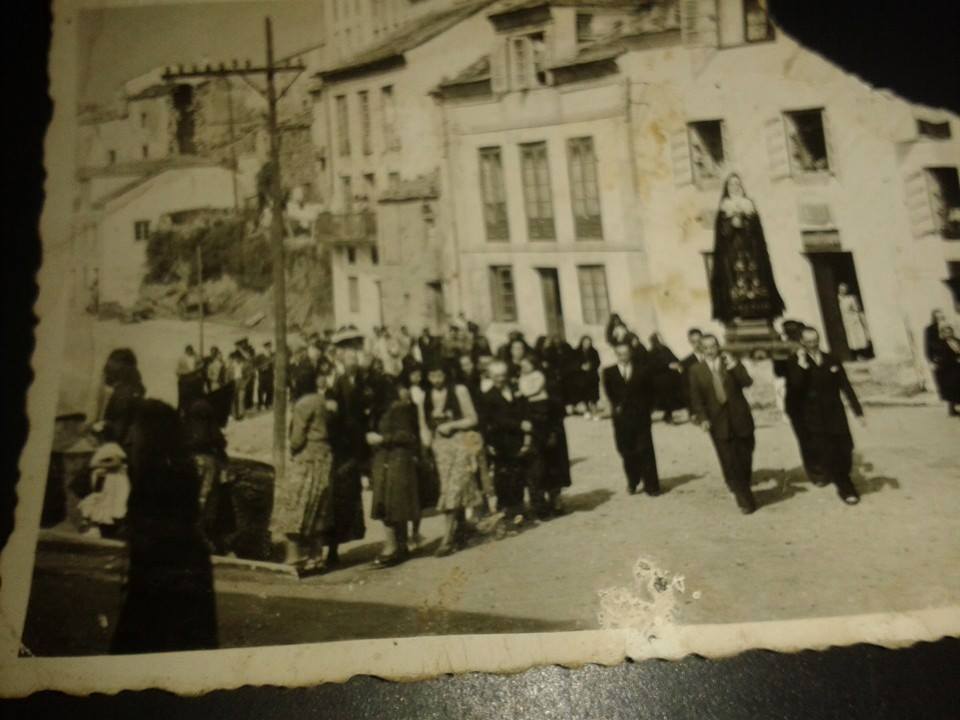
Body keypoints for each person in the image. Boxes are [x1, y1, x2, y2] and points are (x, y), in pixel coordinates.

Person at [111, 400, 217, 654]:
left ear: (151, 435)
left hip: (165, 573)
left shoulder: (159, 474)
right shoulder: (177, 467)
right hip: (181, 570)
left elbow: (157, 529)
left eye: (136, 430)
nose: (130, 438)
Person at [786, 327, 867, 504]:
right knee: (830, 452)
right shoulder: (794, 362)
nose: (813, 345)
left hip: (835, 414)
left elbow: (846, 386)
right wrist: (802, 365)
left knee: (846, 448)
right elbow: (796, 387)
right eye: (809, 342)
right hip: (813, 418)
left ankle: (840, 476)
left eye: (816, 340)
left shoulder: (832, 359)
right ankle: (846, 488)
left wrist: (858, 411)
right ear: (802, 342)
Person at [688, 335, 758, 514]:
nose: (711, 350)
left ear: (718, 347)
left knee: (745, 456)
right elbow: (696, 399)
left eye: (714, 346)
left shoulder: (731, 364)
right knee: (729, 460)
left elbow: (747, 382)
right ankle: (745, 500)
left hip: (740, 418)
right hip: (717, 422)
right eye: (706, 347)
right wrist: (702, 418)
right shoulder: (696, 370)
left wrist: (734, 366)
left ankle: (741, 485)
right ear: (701, 350)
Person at [420, 362, 484, 557]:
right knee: (448, 487)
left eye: (439, 374)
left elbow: (472, 418)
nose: (436, 379)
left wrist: (452, 425)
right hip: (440, 448)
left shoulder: (459, 390)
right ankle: (462, 529)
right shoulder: (426, 396)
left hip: (460, 442)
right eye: (431, 375)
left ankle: (447, 539)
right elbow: (423, 424)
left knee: (454, 488)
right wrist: (427, 445)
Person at [710, 173, 785, 324]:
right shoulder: (724, 209)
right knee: (735, 282)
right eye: (731, 184)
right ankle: (736, 312)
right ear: (727, 188)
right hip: (732, 255)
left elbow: (757, 233)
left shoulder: (749, 206)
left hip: (752, 252)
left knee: (757, 279)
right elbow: (721, 236)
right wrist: (731, 224)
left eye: (738, 184)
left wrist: (746, 221)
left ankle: (761, 312)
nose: (735, 187)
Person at [368, 380, 421, 567]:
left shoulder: (398, 409)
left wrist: (382, 439)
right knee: (393, 503)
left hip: (396, 459)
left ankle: (392, 547)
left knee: (390, 504)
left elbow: (408, 436)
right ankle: (401, 545)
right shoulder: (383, 409)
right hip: (387, 459)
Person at [325, 339, 369, 566]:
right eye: (350, 359)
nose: (354, 362)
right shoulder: (338, 384)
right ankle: (332, 549)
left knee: (352, 495)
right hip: (342, 447)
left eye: (356, 359)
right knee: (338, 496)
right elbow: (332, 415)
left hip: (359, 444)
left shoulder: (363, 380)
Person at [602, 342, 661, 496]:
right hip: (621, 418)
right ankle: (633, 480)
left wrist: (648, 408)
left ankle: (652, 486)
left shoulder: (642, 370)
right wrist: (617, 406)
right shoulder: (609, 372)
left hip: (641, 416)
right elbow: (609, 392)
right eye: (620, 354)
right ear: (616, 355)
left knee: (645, 449)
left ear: (631, 354)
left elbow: (652, 391)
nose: (624, 357)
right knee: (626, 450)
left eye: (626, 353)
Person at [482, 360, 534, 533]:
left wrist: (526, 419)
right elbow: (496, 421)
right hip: (501, 441)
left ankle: (518, 509)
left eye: (503, 375)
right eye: (496, 376)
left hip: (518, 439)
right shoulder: (489, 396)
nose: (500, 379)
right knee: (504, 476)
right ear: (490, 376)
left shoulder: (514, 389)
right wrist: (519, 424)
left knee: (518, 472)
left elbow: (525, 406)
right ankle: (506, 512)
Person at [517, 355, 570, 517]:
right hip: (532, 429)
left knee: (553, 463)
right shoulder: (519, 380)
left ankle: (555, 499)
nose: (524, 368)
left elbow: (557, 408)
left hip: (549, 427)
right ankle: (540, 505)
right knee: (536, 466)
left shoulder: (544, 379)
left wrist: (553, 431)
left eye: (526, 364)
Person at [183, 398, 229, 553]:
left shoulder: (186, 431)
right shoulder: (213, 433)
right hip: (210, 467)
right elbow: (221, 447)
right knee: (207, 503)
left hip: (191, 467)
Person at [97, 348, 146, 451]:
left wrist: (97, 429)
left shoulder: (123, 394)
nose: (105, 369)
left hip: (117, 450)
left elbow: (117, 433)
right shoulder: (133, 390)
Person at [648, 333, 685, 423]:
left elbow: (674, 358)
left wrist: (678, 364)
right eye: (658, 340)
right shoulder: (652, 352)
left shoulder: (666, 349)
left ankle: (669, 413)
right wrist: (668, 366)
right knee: (665, 386)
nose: (661, 342)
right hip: (658, 378)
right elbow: (653, 367)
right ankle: (667, 414)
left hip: (671, 376)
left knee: (676, 384)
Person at [931, 324, 960, 416]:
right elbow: (942, 357)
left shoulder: (957, 340)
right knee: (952, 388)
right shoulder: (941, 344)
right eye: (946, 332)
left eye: (950, 331)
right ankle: (951, 410)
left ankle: (954, 409)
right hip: (948, 369)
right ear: (943, 333)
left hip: (957, 367)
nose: (949, 333)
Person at [837, 283, 871, 360]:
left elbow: (857, 308)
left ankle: (860, 355)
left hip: (852, 319)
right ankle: (852, 355)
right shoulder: (837, 298)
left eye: (844, 289)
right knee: (849, 338)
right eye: (841, 289)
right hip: (844, 320)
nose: (843, 291)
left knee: (857, 337)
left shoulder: (851, 298)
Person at [572, 335, 601, 417]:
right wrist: (580, 366)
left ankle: (593, 406)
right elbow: (573, 363)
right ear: (582, 342)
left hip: (592, 375)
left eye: (589, 342)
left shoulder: (594, 351)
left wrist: (591, 365)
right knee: (583, 391)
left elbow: (598, 362)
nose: (587, 344)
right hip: (581, 376)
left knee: (593, 391)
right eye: (585, 342)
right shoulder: (576, 352)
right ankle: (585, 407)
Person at [256, 341, 274, 410]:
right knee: (260, 389)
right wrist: (262, 368)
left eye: (270, 347)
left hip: (270, 375)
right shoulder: (260, 356)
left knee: (270, 389)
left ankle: (268, 403)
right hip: (262, 375)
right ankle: (260, 403)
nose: (269, 348)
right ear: (264, 348)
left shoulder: (272, 355)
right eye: (267, 347)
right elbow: (256, 365)